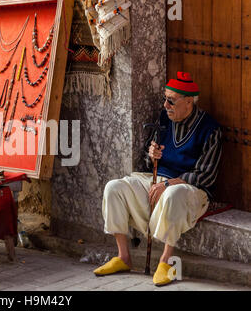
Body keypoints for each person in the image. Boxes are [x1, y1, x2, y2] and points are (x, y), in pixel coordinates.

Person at [93, 72, 222, 286]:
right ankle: (123, 257)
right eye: (165, 98)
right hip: (157, 179)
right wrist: (151, 153)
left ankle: (166, 261)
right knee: (114, 188)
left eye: (171, 100)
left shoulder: (211, 129)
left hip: (188, 189)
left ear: (188, 102)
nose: (165, 105)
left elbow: (205, 175)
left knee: (172, 195)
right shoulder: (164, 118)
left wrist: (169, 183)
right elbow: (148, 156)